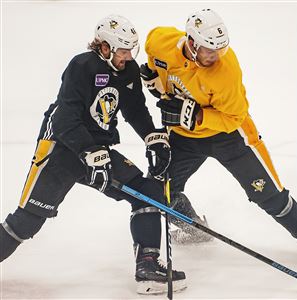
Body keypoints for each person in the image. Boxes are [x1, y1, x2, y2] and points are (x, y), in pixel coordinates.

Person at [0, 15, 187, 295]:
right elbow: (65, 119)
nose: (127, 56)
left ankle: (147, 265)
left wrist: (153, 137)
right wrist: (89, 153)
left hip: (98, 151)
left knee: (147, 191)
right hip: (60, 151)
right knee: (27, 221)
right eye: (122, 50)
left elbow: (134, 109)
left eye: (130, 50)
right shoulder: (81, 66)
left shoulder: (128, 70)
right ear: (104, 47)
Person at [140, 8, 297, 243]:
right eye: (209, 50)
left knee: (269, 195)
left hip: (230, 137)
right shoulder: (160, 41)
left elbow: (234, 117)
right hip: (184, 138)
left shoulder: (226, 69)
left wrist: (197, 116)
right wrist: (154, 78)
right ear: (192, 43)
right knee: (158, 192)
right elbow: (153, 59)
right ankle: (196, 232)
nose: (215, 56)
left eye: (220, 49)